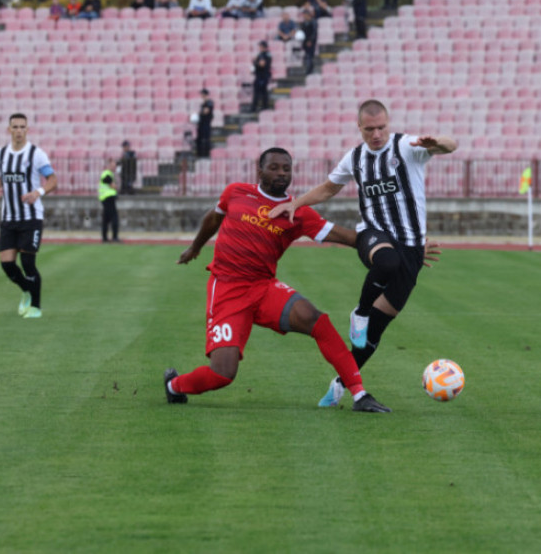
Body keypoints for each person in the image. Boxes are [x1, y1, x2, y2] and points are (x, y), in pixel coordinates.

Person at [164, 147, 391, 413]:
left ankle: (359, 394)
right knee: (223, 374)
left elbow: (347, 237)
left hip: (263, 288)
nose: (281, 173)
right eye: (274, 167)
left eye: (286, 169)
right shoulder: (236, 192)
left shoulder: (299, 213)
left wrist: (389, 249)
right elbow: (214, 218)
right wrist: (195, 247)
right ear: (259, 171)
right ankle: (174, 385)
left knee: (315, 319)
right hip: (227, 288)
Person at [269, 99, 457, 408]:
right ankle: (360, 311)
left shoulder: (407, 146)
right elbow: (329, 189)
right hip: (373, 236)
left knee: (373, 337)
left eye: (381, 127)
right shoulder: (355, 158)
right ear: (360, 128)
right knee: (386, 260)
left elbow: (451, 146)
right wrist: (295, 203)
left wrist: (438, 142)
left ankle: (341, 386)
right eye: (369, 129)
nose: (377, 134)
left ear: (389, 124)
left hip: (410, 248)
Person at [0, 113, 58, 319]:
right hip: (9, 218)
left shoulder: (36, 154)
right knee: (7, 265)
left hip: (31, 218)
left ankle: (36, 307)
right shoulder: (0, 154)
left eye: (22, 127)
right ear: (9, 129)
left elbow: (53, 180)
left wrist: (38, 192)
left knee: (28, 263)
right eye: (15, 127)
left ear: (27, 129)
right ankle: (26, 290)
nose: (19, 130)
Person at [99, 158, 120, 243]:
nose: (114, 167)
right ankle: (114, 237)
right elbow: (109, 182)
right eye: (113, 165)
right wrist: (114, 185)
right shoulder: (107, 173)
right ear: (108, 165)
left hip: (105, 198)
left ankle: (104, 238)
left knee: (106, 218)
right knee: (114, 217)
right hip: (108, 198)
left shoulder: (108, 174)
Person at [251, 40, 272, 113]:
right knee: (263, 93)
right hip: (263, 76)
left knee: (259, 93)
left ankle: (255, 108)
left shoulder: (263, 55)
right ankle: (264, 107)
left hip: (261, 77)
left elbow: (262, 65)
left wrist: (255, 62)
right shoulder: (267, 55)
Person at [195, 88, 214, 158]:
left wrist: (199, 113)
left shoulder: (209, 102)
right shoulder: (203, 103)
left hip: (205, 124)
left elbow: (206, 111)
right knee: (199, 139)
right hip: (201, 124)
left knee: (205, 139)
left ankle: (205, 154)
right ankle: (200, 154)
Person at [298, 8, 318, 75]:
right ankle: (308, 69)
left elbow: (314, 33)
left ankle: (310, 70)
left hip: (310, 42)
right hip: (305, 42)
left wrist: (310, 41)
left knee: (310, 56)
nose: (304, 16)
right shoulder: (304, 23)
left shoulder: (313, 22)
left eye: (305, 15)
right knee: (307, 56)